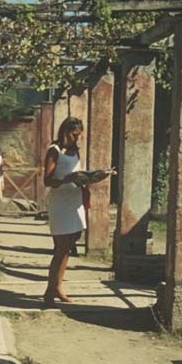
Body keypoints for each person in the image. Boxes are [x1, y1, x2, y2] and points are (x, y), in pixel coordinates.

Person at [42, 116, 110, 305]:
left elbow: (77, 176)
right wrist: (66, 179)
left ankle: (58, 287)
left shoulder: (75, 152)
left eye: (79, 135)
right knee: (60, 248)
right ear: (65, 132)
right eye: (74, 135)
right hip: (60, 203)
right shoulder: (54, 151)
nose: (76, 139)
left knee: (68, 247)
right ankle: (49, 291)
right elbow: (47, 181)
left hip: (75, 201)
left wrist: (92, 178)